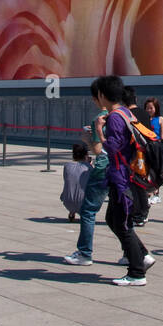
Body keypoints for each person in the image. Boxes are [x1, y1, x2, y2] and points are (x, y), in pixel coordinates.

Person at [92, 75, 153, 286]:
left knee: (122, 223)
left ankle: (137, 271)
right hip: (125, 175)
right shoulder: (125, 112)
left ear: (102, 94)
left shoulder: (116, 117)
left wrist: (99, 133)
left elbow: (114, 147)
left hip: (121, 177)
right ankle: (143, 255)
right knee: (113, 219)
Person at [62, 95, 110, 267]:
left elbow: (98, 150)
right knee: (119, 214)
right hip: (122, 169)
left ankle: (84, 253)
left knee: (88, 211)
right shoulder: (125, 115)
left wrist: (87, 139)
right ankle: (136, 254)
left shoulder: (99, 118)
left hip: (105, 168)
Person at [122, 86, 152, 225]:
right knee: (140, 183)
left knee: (135, 185)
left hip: (133, 154)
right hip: (144, 153)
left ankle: (141, 212)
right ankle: (141, 211)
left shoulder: (126, 115)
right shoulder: (145, 114)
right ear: (135, 98)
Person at [143, 97, 163, 205]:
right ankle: (148, 193)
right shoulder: (144, 120)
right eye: (147, 108)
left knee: (157, 172)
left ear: (156, 108)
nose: (149, 110)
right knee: (147, 171)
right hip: (146, 148)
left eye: (151, 108)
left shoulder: (161, 119)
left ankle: (156, 194)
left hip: (157, 148)